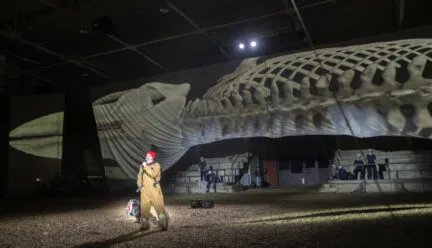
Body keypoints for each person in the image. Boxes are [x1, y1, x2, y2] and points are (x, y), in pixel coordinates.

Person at [136, 151, 168, 231]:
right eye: (146, 155)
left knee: (159, 206)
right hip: (145, 190)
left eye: (149, 155)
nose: (147, 156)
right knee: (144, 208)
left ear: (153, 157)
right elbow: (139, 176)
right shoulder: (142, 166)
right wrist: (140, 185)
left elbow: (153, 174)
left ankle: (163, 225)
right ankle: (144, 225)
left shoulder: (156, 165)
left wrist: (146, 166)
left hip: (154, 189)